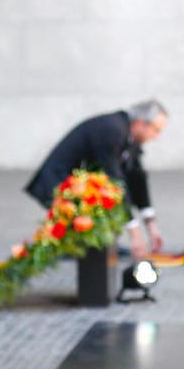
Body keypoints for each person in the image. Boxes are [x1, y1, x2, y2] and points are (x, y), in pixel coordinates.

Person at [25, 100, 168, 259]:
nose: (157, 137)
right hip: (58, 184)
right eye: (156, 130)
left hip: (80, 184)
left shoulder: (128, 133)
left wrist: (151, 225)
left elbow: (137, 178)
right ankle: (79, 246)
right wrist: (135, 234)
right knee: (105, 200)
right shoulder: (112, 130)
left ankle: (96, 246)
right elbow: (115, 181)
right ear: (141, 123)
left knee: (108, 200)